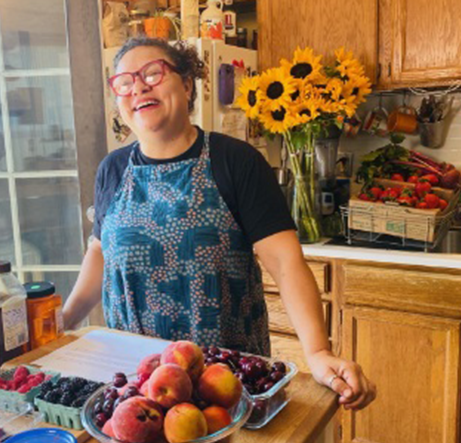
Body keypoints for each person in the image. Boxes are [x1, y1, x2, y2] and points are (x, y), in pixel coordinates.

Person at [63, 37, 375, 411]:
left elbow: (286, 264)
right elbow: (100, 254)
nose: (139, 87)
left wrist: (318, 352)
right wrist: (64, 320)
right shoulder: (112, 169)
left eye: (152, 73)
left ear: (188, 84)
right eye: (125, 82)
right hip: (137, 387)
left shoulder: (236, 162)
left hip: (222, 384)